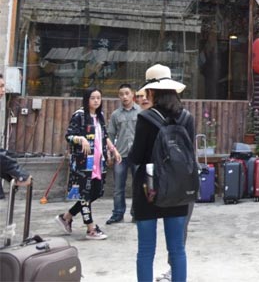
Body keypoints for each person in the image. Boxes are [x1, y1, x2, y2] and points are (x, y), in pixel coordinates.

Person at [129, 64, 193, 282]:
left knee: (146, 250)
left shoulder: (145, 119)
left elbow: (136, 157)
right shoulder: (186, 118)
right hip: (178, 188)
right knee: (177, 250)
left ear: (152, 92)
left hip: (149, 189)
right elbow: (189, 153)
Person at [55, 87, 122, 240]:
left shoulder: (100, 116)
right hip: (83, 162)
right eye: (93, 98)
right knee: (85, 194)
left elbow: (104, 136)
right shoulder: (79, 116)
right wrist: (81, 139)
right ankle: (91, 229)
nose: (96, 101)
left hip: (99, 162)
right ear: (86, 99)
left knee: (96, 192)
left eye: (99, 98)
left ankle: (66, 217)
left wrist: (114, 150)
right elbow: (69, 136)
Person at [106, 83, 141, 224]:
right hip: (120, 155)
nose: (124, 96)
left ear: (133, 94)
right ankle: (117, 214)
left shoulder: (140, 112)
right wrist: (110, 153)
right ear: (118, 96)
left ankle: (136, 213)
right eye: (121, 94)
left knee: (138, 185)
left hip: (137, 154)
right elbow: (110, 135)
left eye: (127, 93)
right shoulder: (116, 115)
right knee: (118, 187)